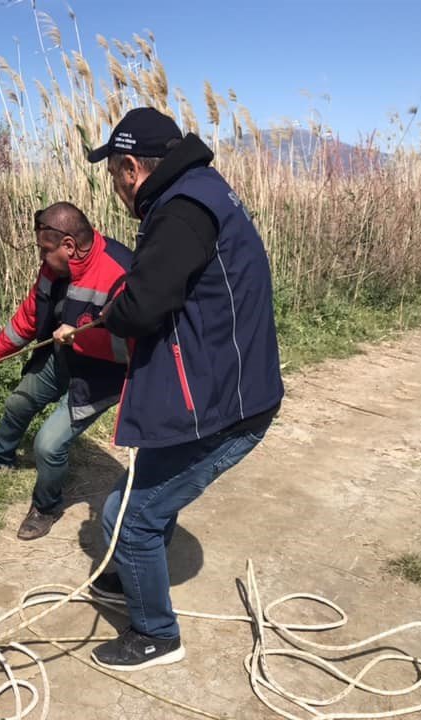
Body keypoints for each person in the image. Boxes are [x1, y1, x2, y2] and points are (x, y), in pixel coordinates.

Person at [75, 107, 284, 671]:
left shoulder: (182, 212)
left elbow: (142, 306)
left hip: (227, 406)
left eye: (115, 173)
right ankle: (133, 579)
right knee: (148, 485)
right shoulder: (199, 191)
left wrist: (102, 318)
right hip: (223, 388)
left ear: (130, 169)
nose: (115, 187)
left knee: (129, 514)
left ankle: (155, 636)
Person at [0, 202, 133, 541]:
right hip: (63, 355)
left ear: (68, 246)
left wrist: (82, 336)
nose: (41, 258)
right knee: (18, 402)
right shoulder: (54, 269)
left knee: (47, 445)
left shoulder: (121, 272)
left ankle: (47, 506)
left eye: (45, 250)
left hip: (100, 375)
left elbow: (132, 348)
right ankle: (0, 459)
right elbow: (27, 319)